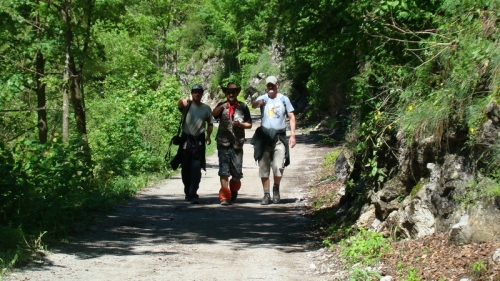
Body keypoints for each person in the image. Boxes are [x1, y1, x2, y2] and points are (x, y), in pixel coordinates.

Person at [251, 76, 296, 205]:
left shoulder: (283, 99)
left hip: (279, 138)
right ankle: (266, 194)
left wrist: (293, 135)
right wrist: (258, 103)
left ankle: (276, 188)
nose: (270, 87)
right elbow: (254, 105)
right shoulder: (263, 98)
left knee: (278, 165)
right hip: (265, 138)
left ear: (277, 85)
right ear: (266, 86)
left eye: (273, 85)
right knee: (263, 167)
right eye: (268, 85)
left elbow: (291, 116)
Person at [212, 82, 252, 205]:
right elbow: (213, 114)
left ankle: (233, 189)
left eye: (233, 92)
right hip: (223, 143)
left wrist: (240, 124)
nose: (231, 94)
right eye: (228, 92)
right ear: (226, 93)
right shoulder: (221, 105)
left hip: (237, 144)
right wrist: (222, 107)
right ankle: (224, 197)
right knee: (224, 171)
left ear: (237, 93)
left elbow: (249, 124)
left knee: (237, 173)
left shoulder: (243, 107)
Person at [176, 84, 213, 204]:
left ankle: (193, 192)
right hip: (186, 140)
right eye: (195, 92)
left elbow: (210, 123)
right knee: (185, 166)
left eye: (199, 92)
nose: (197, 94)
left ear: (202, 94)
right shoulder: (187, 106)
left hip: (199, 141)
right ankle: (188, 191)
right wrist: (183, 101)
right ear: (192, 93)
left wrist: (208, 135)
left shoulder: (206, 108)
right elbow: (179, 105)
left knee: (196, 167)